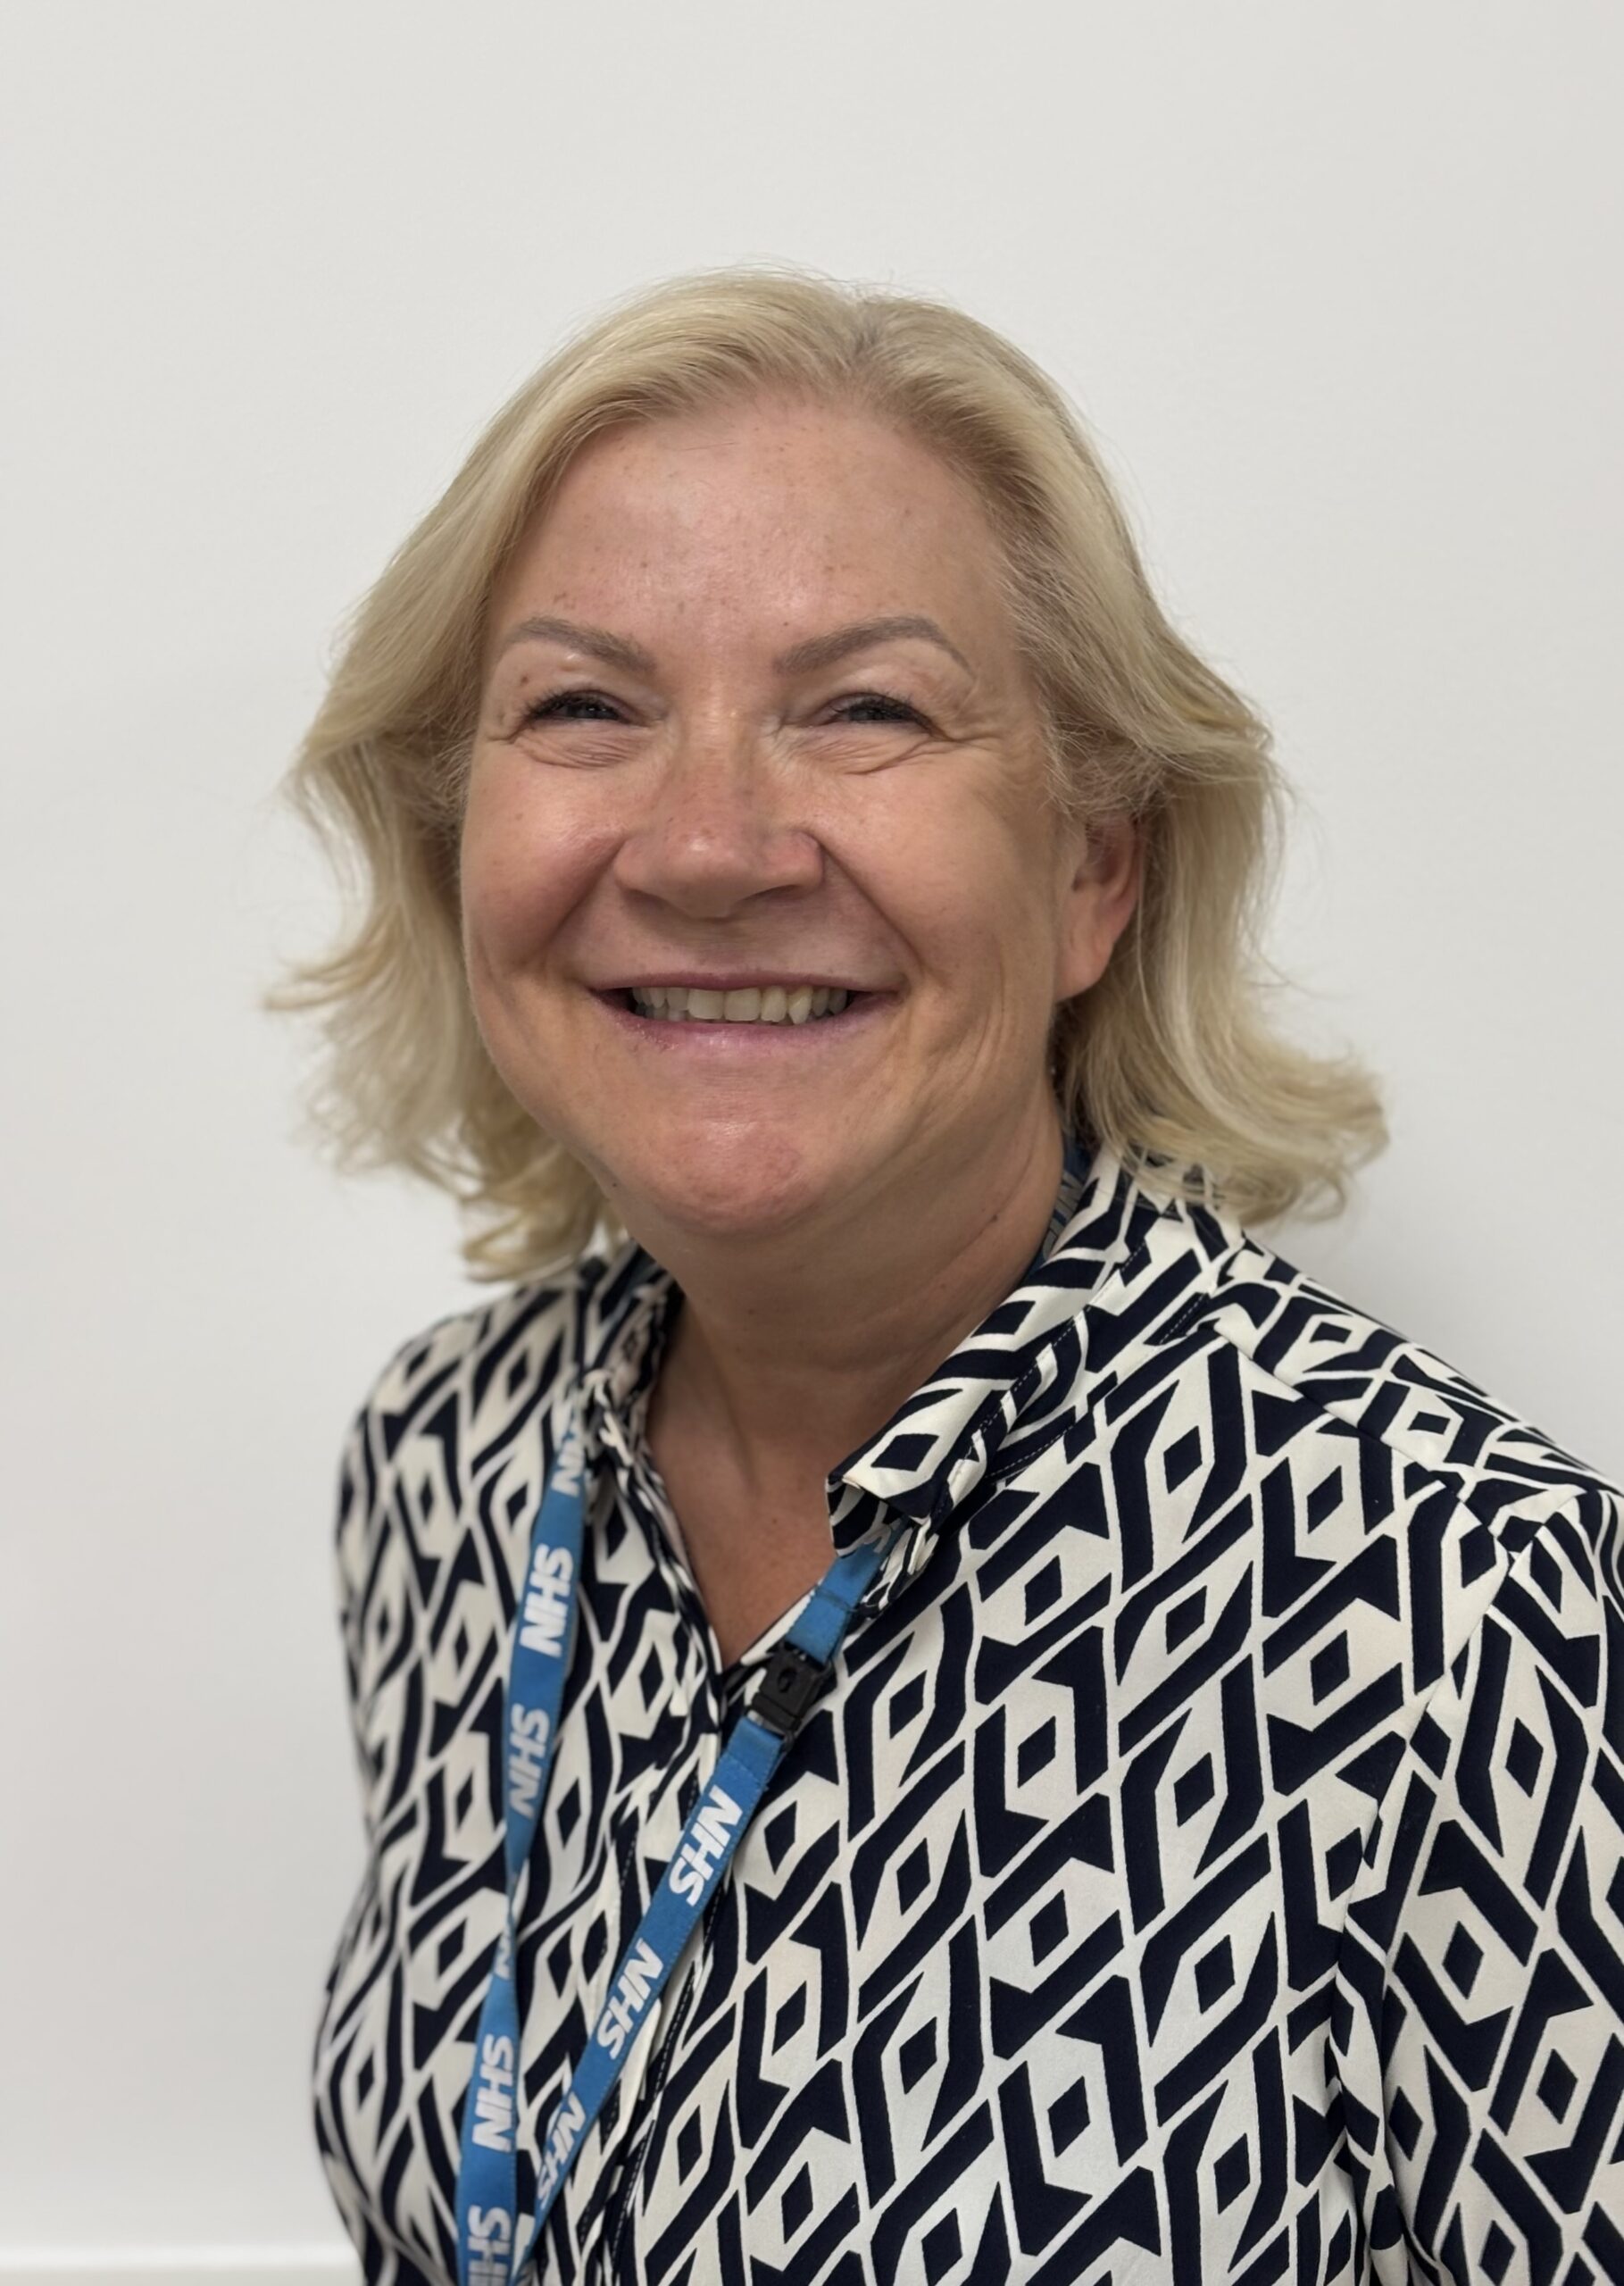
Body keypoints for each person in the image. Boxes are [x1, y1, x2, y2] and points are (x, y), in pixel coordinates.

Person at [268, 264, 1624, 2285]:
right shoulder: (451, 1465)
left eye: (866, 711)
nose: (709, 843)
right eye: (585, 707)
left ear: (1094, 865)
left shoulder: (1464, 1607)